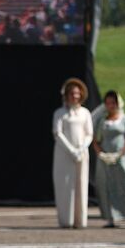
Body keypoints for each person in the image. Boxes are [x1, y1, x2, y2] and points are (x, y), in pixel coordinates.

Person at [92, 91, 125, 228]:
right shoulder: (102, 120)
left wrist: (120, 153)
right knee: (106, 186)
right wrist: (101, 154)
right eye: (108, 103)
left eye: (113, 102)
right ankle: (110, 217)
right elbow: (96, 140)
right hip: (105, 158)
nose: (111, 106)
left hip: (122, 158)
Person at [52, 78, 92, 228]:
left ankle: (80, 220)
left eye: (77, 93)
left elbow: (89, 134)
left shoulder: (85, 113)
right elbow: (58, 133)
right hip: (64, 153)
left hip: (81, 153)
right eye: (71, 93)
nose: (74, 96)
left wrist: (81, 149)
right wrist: (71, 150)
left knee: (81, 184)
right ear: (66, 95)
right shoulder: (60, 113)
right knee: (65, 185)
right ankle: (66, 220)